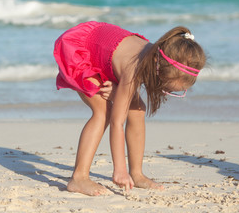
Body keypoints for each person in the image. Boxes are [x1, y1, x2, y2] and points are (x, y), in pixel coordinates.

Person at [53, 21, 206, 196]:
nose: (164, 93)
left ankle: (137, 174)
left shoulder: (156, 55)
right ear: (158, 68)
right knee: (104, 112)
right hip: (81, 49)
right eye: (166, 88)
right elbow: (117, 123)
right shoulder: (134, 68)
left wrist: (118, 91)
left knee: (138, 108)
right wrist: (119, 170)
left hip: (105, 52)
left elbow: (124, 85)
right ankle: (78, 178)